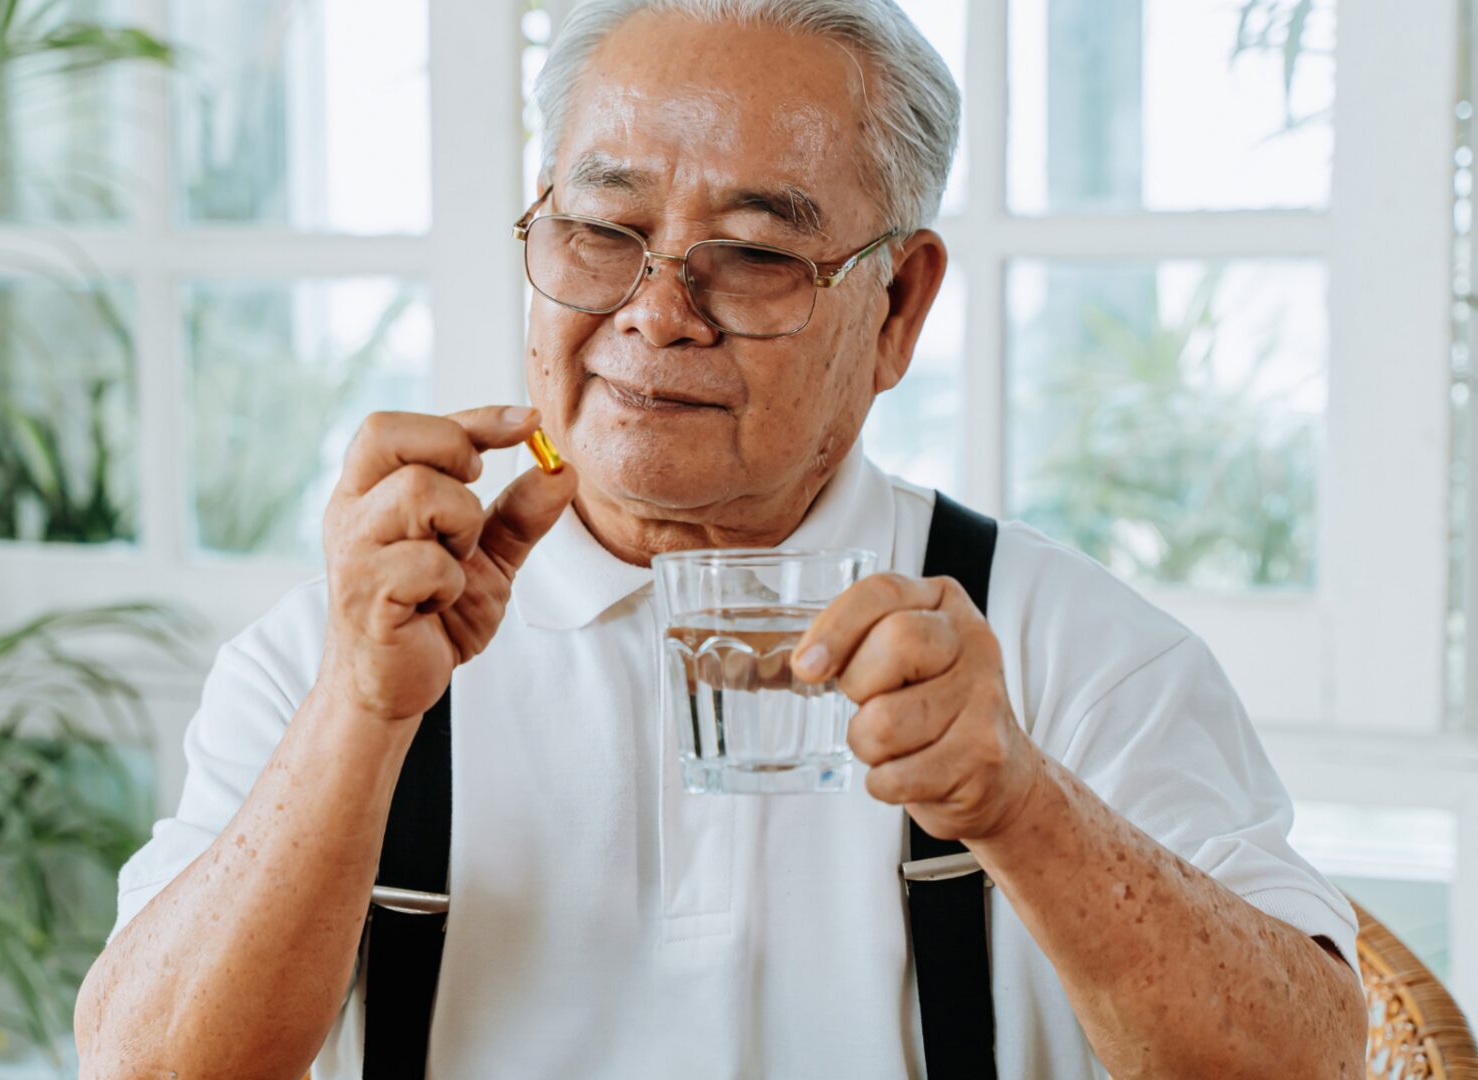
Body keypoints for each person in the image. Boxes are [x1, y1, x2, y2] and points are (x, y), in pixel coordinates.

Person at [73, 1, 1368, 1077]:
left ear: (898, 307)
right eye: (603, 232)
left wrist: (1021, 804)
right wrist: (360, 714)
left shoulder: (1063, 646)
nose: (657, 312)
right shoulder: (340, 650)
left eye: (750, 254)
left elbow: (1310, 1064)